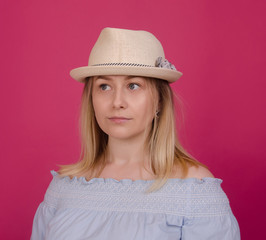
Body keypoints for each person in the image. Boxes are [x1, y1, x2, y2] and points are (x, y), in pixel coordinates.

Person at [31, 27, 240, 239]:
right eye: (104, 87)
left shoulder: (194, 190)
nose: (117, 102)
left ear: (159, 100)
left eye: (133, 85)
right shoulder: (63, 188)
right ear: (90, 99)